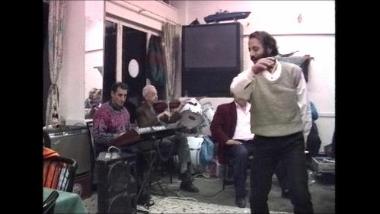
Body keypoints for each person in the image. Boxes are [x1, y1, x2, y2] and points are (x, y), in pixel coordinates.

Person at [230, 31, 313, 214]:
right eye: (249, 49)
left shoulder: (294, 71)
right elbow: (236, 91)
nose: (251, 54)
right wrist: (252, 72)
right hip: (263, 141)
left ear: (268, 48)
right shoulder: (249, 76)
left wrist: (303, 141)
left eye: (256, 48)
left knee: (300, 194)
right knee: (257, 196)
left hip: (292, 141)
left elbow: (304, 108)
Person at [210, 92, 289, 208]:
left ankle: (286, 188)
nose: (243, 96)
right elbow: (215, 127)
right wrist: (227, 140)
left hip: (254, 142)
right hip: (234, 143)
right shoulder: (224, 108)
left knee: (275, 149)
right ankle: (240, 195)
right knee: (242, 153)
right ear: (234, 95)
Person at [92, 82, 153, 206]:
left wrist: (133, 130)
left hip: (123, 146)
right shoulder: (103, 111)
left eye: (125, 96)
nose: (122, 99)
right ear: (112, 94)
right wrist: (117, 136)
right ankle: (133, 195)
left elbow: (126, 129)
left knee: (145, 152)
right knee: (135, 156)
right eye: (119, 95)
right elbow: (98, 137)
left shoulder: (125, 111)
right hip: (107, 150)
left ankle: (138, 193)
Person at [136, 84, 199, 193]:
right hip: (151, 140)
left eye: (156, 94)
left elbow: (170, 119)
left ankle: (185, 176)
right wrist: (159, 116)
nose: (156, 96)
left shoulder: (155, 107)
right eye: (153, 94)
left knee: (182, 138)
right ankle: (185, 176)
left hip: (162, 136)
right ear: (146, 96)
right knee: (177, 142)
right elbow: (144, 127)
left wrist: (180, 108)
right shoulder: (141, 110)